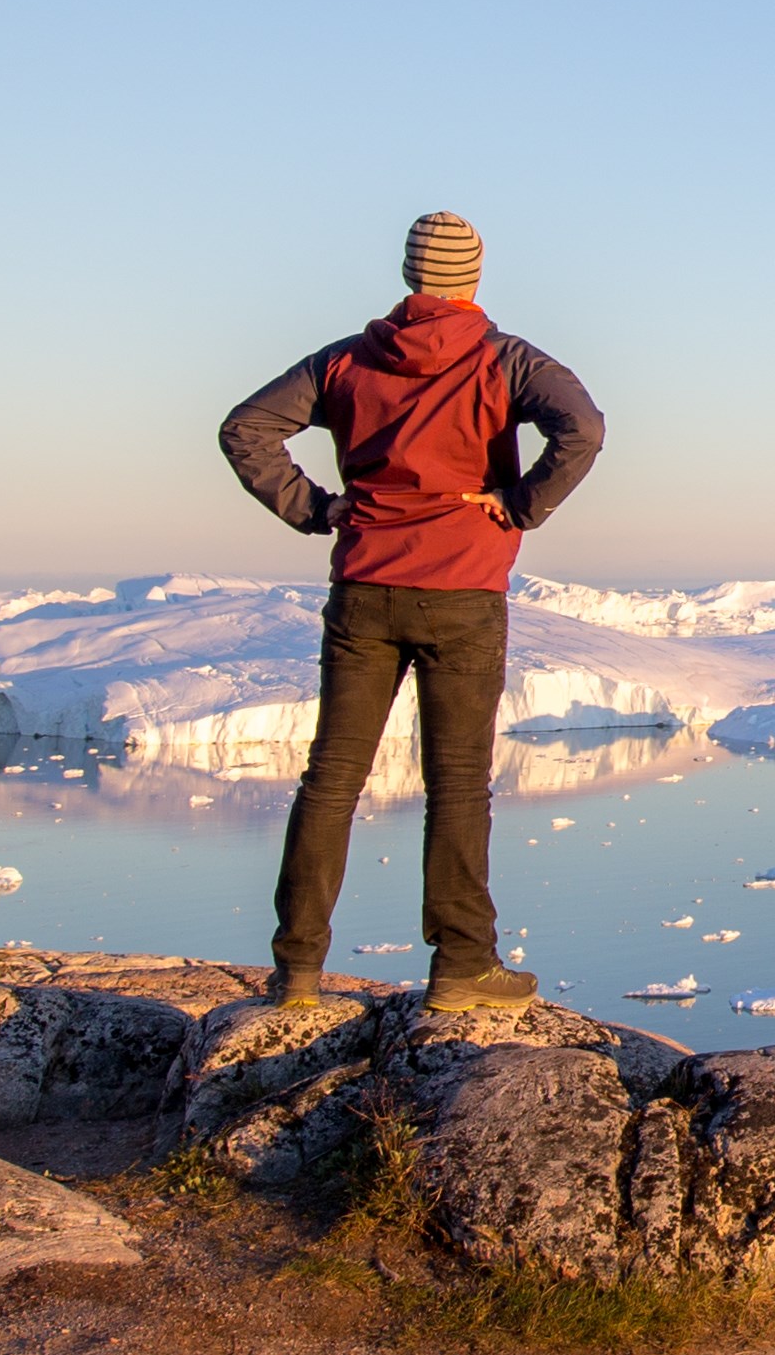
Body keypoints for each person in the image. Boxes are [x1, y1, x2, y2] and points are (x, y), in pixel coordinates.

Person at [219, 210, 607, 1009]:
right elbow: (585, 427)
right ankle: (463, 966)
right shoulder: (506, 359)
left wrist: (317, 509)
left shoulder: (348, 360)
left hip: (364, 586)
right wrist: (520, 503)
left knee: (330, 778)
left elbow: (245, 428)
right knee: (458, 783)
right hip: (463, 590)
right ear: (472, 275)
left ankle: (296, 968)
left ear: (408, 274)